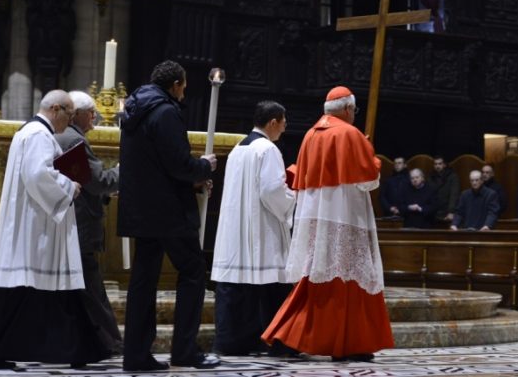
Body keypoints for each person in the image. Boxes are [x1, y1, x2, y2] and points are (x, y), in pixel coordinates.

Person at [0, 90, 112, 369]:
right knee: (31, 289)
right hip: (36, 226)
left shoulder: (30, 132)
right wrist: (70, 186)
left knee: (25, 291)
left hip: (32, 222)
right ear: (56, 109)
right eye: (69, 115)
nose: (69, 121)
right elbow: (38, 174)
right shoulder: (38, 135)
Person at [262, 86, 394, 360]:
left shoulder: (311, 134)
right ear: (347, 109)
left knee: (315, 279)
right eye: (354, 110)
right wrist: (371, 156)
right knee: (350, 280)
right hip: (345, 217)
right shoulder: (350, 134)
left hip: (315, 220)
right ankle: (348, 343)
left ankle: (292, 339)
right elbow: (369, 180)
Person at [117, 60, 220, 371]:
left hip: (142, 209)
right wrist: (204, 167)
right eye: (184, 87)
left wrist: (193, 176)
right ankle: (185, 351)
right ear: (175, 85)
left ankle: (135, 355)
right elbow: (178, 164)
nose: (184, 93)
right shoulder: (165, 112)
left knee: (143, 280)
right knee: (193, 271)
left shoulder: (134, 110)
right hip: (169, 211)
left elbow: (153, 163)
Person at [211, 100, 296, 356]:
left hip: (236, 227)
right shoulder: (267, 149)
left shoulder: (238, 147)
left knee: (239, 285)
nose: (285, 127)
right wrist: (293, 198)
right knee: (270, 284)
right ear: (273, 122)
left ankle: (232, 343)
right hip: (260, 228)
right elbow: (271, 190)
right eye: (283, 122)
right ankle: (276, 342)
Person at [55, 90, 122, 352]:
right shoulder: (74, 139)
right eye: (91, 112)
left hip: (69, 221)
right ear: (77, 114)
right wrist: (122, 171)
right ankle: (110, 343)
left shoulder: (62, 136)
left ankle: (86, 342)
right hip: (79, 225)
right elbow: (97, 182)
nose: (95, 117)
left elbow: (80, 181)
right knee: (92, 290)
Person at [428, 156, 460, 220]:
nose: (437, 166)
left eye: (440, 164)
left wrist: (451, 211)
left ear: (444, 165)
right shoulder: (431, 177)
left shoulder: (452, 176)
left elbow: (454, 195)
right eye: (435, 164)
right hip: (434, 211)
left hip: (447, 211)